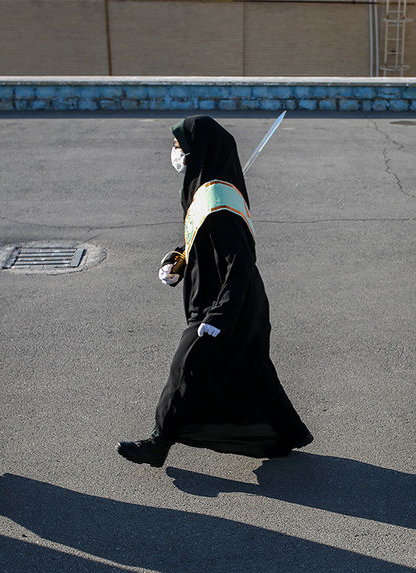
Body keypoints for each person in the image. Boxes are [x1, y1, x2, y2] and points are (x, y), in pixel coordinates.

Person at [118, 115, 312, 468]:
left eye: (179, 146)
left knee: (186, 365)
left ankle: (159, 442)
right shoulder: (205, 189)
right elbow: (203, 242)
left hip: (227, 303)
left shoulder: (220, 199)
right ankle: (286, 432)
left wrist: (219, 317)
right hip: (219, 299)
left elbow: (240, 262)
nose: (175, 153)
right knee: (250, 370)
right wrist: (177, 260)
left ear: (198, 150)